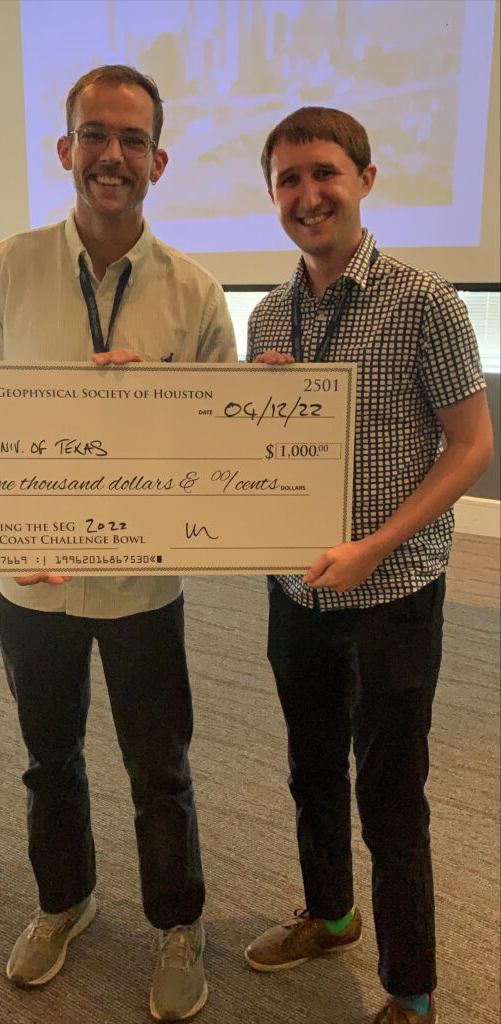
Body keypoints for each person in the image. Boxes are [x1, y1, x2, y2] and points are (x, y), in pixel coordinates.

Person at [0, 65, 237, 1021]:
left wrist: (162, 404)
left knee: (160, 765)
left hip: (143, 586)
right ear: (65, 147)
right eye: (95, 135)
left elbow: (224, 447)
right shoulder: (5, 267)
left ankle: (176, 921)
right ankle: (64, 900)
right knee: (47, 755)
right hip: (29, 582)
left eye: (133, 140)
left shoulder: (195, 293)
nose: (113, 156)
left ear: (159, 158)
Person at [244, 106, 493, 1024]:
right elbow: (258, 455)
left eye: (324, 173)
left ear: (365, 179)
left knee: (390, 792)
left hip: (394, 589)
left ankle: (411, 990)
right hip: (294, 586)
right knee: (311, 771)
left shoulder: (426, 301)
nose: (308, 196)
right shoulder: (269, 314)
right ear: (272, 196)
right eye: (288, 180)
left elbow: (470, 446)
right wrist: (250, 410)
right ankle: (333, 915)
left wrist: (375, 544)